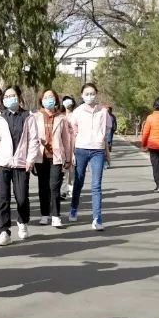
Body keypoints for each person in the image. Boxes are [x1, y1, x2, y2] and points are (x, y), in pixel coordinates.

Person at [0, 85, 39, 246]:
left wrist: (31, 159)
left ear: (19, 97)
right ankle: (4, 231)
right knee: (3, 198)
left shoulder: (28, 117)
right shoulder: (0, 118)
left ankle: (22, 222)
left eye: (13, 95)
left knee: (22, 197)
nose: (10, 99)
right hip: (2, 163)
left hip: (21, 163)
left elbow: (34, 140)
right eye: (7, 96)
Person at [69, 83, 112, 231]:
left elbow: (106, 133)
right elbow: (73, 133)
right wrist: (72, 153)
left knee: (96, 185)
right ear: (82, 95)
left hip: (97, 150)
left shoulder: (103, 112)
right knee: (79, 181)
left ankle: (97, 218)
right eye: (87, 94)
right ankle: (74, 208)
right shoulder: (77, 112)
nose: (90, 96)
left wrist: (107, 152)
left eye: (92, 93)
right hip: (81, 149)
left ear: (96, 94)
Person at [35, 89, 74, 227]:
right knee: (43, 187)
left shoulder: (61, 118)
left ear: (56, 100)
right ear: (41, 100)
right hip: (40, 157)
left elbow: (66, 140)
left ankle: (56, 215)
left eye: (51, 97)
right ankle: (45, 215)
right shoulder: (35, 117)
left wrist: (68, 158)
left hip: (56, 157)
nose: (48, 99)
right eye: (45, 97)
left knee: (54, 186)